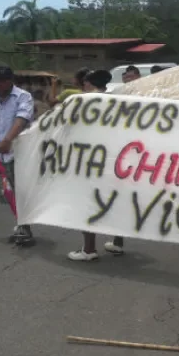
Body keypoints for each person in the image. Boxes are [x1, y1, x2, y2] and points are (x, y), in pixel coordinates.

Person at [68, 70, 127, 261]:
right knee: (114, 201)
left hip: (91, 161)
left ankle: (89, 249)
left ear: (87, 83)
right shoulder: (116, 101)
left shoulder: (83, 102)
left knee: (86, 203)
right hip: (114, 160)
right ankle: (117, 243)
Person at [0, 65, 36, 245]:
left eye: (2, 80)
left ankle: (26, 228)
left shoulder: (23, 96)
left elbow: (22, 119)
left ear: (10, 80)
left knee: (22, 191)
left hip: (19, 151)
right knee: (7, 191)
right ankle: (21, 225)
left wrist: (8, 140)